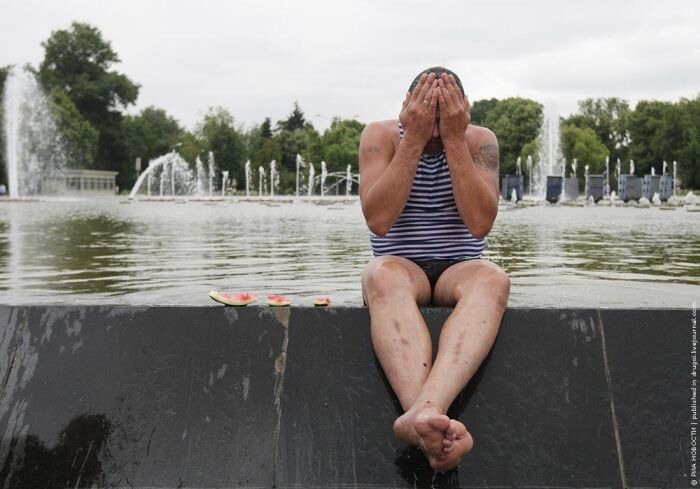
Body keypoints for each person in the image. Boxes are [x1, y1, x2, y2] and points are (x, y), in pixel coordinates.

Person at [358, 67, 510, 471]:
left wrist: (456, 141)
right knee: (381, 276)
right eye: (427, 115)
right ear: (406, 108)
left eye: (446, 118)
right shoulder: (380, 136)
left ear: (464, 112)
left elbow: (480, 223)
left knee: (494, 279)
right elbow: (379, 220)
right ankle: (429, 420)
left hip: (459, 266)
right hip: (399, 263)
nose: (435, 130)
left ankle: (423, 415)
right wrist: (414, 140)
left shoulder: (479, 141)